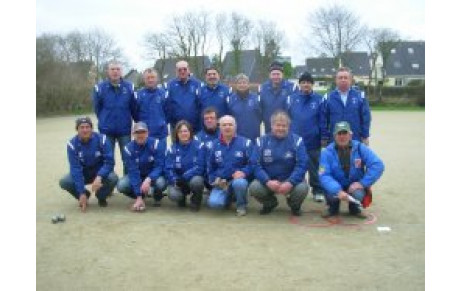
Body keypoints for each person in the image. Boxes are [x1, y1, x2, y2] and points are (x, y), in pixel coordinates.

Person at [319, 121, 384, 220]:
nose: (342, 136)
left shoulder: (360, 147)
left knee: (358, 194)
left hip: (354, 185)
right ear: (334, 136)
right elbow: (323, 175)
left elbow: (378, 165)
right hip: (336, 184)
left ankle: (354, 208)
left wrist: (362, 183)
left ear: (350, 135)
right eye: (339, 133)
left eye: (345, 133)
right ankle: (332, 207)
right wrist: (337, 190)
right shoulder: (326, 152)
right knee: (331, 193)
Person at [249, 111, 309, 216]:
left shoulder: (297, 141)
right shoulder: (261, 141)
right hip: (269, 180)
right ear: (272, 125)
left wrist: (290, 182)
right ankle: (270, 203)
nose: (281, 128)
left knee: (302, 188)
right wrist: (267, 181)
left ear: (288, 126)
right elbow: (254, 164)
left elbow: (302, 164)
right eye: (278, 125)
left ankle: (294, 205)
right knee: (254, 187)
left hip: (289, 180)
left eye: (284, 126)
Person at [59, 117, 118, 212]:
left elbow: (110, 162)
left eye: (87, 127)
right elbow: (75, 168)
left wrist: (99, 176)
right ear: (77, 129)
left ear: (92, 128)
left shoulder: (102, 139)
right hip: (84, 174)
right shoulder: (72, 144)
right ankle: (85, 196)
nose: (85, 130)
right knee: (65, 182)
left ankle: (101, 196)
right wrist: (81, 192)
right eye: (81, 127)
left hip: (99, 172)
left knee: (113, 178)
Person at [285, 72, 326, 203]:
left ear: (312, 84)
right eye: (303, 82)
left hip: (313, 140)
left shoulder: (319, 99)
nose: (306, 84)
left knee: (314, 167)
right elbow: (287, 119)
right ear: (300, 84)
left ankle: (318, 191)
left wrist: (324, 136)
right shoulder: (291, 99)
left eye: (308, 82)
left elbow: (323, 119)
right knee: (295, 166)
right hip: (295, 141)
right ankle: (294, 189)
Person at [92, 60, 137, 175]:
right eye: (112, 69)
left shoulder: (130, 87)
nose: (115, 72)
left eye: (118, 69)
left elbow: (133, 108)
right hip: (106, 131)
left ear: (121, 71)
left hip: (125, 130)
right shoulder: (99, 88)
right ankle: (109, 185)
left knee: (127, 159)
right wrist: (105, 120)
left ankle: (127, 185)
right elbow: (97, 109)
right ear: (108, 71)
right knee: (107, 160)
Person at [207, 115, 253, 216]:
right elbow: (210, 167)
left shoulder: (246, 143)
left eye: (230, 125)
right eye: (224, 125)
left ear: (235, 126)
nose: (227, 127)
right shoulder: (214, 145)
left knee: (240, 184)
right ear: (220, 127)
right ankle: (229, 199)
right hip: (222, 183)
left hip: (237, 180)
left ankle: (241, 206)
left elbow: (252, 164)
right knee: (214, 204)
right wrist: (215, 179)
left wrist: (244, 172)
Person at [116, 122, 167, 212]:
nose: (140, 135)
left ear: (147, 133)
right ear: (133, 134)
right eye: (137, 133)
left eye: (142, 132)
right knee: (121, 185)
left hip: (153, 177)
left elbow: (159, 166)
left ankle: (156, 196)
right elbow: (133, 172)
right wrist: (138, 196)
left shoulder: (156, 144)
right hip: (138, 175)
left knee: (160, 183)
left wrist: (148, 179)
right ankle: (141, 197)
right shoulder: (128, 149)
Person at [322, 67, 371, 146]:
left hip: (355, 139)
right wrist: (324, 136)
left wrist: (365, 135)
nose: (343, 80)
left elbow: (366, 118)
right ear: (336, 80)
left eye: (346, 78)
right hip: (335, 139)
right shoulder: (328, 97)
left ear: (351, 80)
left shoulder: (360, 96)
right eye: (340, 78)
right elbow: (323, 119)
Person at [165, 120, 206, 211]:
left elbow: (200, 167)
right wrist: (175, 180)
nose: (183, 134)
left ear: (190, 132)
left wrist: (184, 177)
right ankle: (181, 198)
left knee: (197, 181)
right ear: (176, 134)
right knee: (174, 195)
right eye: (180, 131)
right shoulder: (172, 148)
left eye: (185, 131)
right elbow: (168, 168)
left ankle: (195, 200)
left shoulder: (199, 146)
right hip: (178, 181)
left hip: (191, 179)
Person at [259, 61, 298, 134]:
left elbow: (295, 109)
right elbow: (260, 108)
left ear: (282, 74)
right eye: (273, 74)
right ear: (270, 75)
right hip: (269, 128)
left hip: (286, 128)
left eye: (278, 74)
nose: (276, 77)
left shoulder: (292, 88)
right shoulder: (262, 88)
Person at [165, 60, 202, 133]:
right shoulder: (170, 85)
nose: (182, 72)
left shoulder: (197, 84)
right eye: (179, 70)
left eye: (185, 69)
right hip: (176, 127)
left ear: (189, 70)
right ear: (176, 71)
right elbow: (167, 104)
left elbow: (201, 103)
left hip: (195, 126)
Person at [136, 68, 168, 147]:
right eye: (148, 78)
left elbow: (169, 112)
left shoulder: (164, 94)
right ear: (144, 79)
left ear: (157, 79)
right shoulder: (138, 95)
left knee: (161, 157)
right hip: (144, 134)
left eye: (152, 77)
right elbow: (135, 113)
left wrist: (161, 123)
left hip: (161, 133)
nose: (150, 80)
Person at [227, 73, 262, 142]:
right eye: (239, 83)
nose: (242, 85)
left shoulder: (257, 98)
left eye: (244, 83)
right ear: (236, 85)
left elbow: (260, 116)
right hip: (236, 138)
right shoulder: (230, 100)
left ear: (248, 84)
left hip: (253, 137)